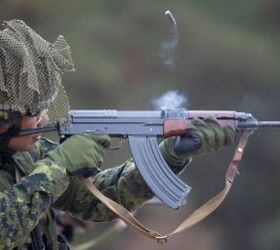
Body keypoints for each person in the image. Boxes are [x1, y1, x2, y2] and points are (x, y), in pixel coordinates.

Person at [0, 19, 236, 250]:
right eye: (34, 111)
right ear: (5, 117)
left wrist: (170, 156)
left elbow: (99, 200)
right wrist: (59, 165)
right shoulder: (45, 164)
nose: (45, 118)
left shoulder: (25, 158)